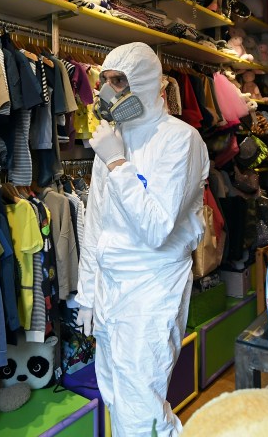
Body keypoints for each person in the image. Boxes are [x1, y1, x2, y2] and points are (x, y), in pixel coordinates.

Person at [75, 42, 209, 436]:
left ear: (148, 84)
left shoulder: (179, 141)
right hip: (112, 285)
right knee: (116, 395)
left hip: (153, 284)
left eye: (121, 81)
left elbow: (156, 228)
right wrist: (88, 294)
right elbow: (96, 224)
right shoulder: (112, 138)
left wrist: (117, 163)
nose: (109, 92)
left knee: (141, 410)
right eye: (106, 81)